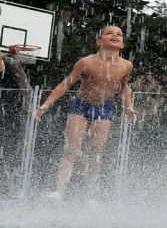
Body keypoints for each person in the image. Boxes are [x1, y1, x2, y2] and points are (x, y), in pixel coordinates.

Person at [33, 25, 137, 201]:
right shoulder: (86, 62)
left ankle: (89, 194)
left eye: (119, 34)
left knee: (95, 152)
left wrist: (129, 106)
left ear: (122, 45)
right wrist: (46, 104)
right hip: (81, 105)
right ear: (99, 41)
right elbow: (67, 84)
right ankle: (59, 191)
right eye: (109, 33)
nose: (115, 35)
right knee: (72, 149)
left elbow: (124, 87)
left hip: (104, 107)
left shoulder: (126, 66)